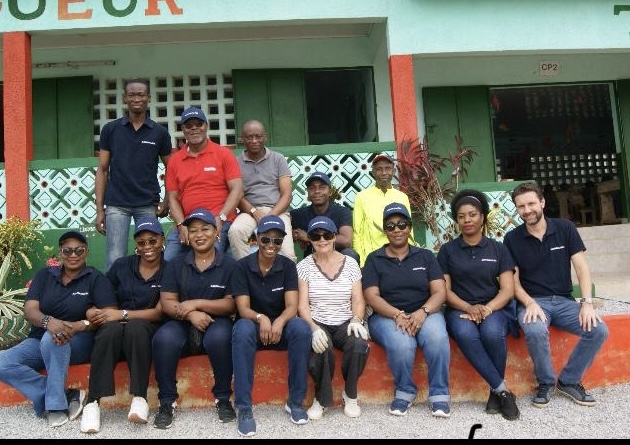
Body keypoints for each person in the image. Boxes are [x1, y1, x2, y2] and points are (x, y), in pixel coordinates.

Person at [503, 181, 609, 408]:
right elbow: (513, 280)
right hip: (531, 301)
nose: (527, 210)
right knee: (535, 329)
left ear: (542, 202)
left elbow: (581, 267)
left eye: (531, 203)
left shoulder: (565, 228)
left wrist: (587, 303)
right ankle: (546, 382)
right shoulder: (512, 239)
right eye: (521, 206)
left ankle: (569, 381)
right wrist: (529, 302)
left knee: (599, 329)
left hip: (563, 301)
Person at [0, 230, 116, 427]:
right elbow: (30, 309)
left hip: (78, 340)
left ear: (86, 251)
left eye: (79, 250)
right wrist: (48, 322)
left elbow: (109, 312)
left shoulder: (95, 279)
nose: (73, 255)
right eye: (68, 250)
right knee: (3, 363)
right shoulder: (44, 276)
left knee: (54, 338)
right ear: (60, 252)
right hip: (38, 339)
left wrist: (82, 324)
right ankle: (67, 394)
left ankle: (55, 406)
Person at [151, 208, 238, 429]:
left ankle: (223, 398)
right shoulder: (176, 264)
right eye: (193, 230)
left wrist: (197, 303)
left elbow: (230, 304)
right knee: (164, 339)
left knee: (220, 338)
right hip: (181, 321)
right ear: (187, 236)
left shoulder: (229, 264)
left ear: (216, 232)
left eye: (205, 229)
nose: (199, 234)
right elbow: (168, 301)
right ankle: (167, 402)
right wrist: (191, 313)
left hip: (217, 320)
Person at [436, 190, 520, 421]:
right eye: (462, 216)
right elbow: (444, 290)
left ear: (482, 217)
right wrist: (468, 308)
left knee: (493, 333)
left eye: (472, 214)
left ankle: (495, 393)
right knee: (465, 333)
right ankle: (502, 390)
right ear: (457, 220)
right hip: (459, 310)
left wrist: (487, 309)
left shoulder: (498, 249)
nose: (467, 220)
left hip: (494, 307)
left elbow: (507, 289)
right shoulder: (447, 251)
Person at [362, 203, 451, 418]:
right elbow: (371, 296)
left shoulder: (425, 256)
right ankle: (405, 391)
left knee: (437, 338)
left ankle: (439, 394)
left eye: (402, 224)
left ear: (410, 227)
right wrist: (396, 314)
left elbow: (440, 291)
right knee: (402, 343)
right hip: (386, 315)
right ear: (385, 230)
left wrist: (424, 311)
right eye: (390, 226)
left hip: (425, 311)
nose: (397, 230)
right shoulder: (374, 259)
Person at [80, 217, 167, 433]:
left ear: (162, 240)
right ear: (136, 244)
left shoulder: (170, 269)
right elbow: (101, 296)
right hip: (116, 325)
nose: (147, 247)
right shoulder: (122, 265)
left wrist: (122, 314)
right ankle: (92, 403)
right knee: (109, 330)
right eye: (141, 242)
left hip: (149, 325)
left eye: (152, 241)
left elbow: (159, 312)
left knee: (136, 327)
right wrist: (92, 311)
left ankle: (139, 398)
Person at [231, 215, 312, 437]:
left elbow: (292, 306)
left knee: (301, 329)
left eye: (277, 241)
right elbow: (243, 308)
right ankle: (244, 408)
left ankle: (295, 402)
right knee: (241, 329)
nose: (271, 245)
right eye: (266, 239)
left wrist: (279, 321)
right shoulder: (242, 267)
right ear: (256, 239)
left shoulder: (287, 266)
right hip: (253, 325)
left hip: (280, 327)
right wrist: (261, 318)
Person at [95, 78, 173, 271]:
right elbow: (102, 169)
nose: (136, 98)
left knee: (152, 255)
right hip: (116, 205)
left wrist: (167, 201)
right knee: (115, 259)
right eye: (132, 95)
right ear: (125, 98)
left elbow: (172, 169)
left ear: (148, 98)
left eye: (140, 94)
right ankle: (112, 300)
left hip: (148, 204)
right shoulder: (111, 130)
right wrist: (99, 209)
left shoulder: (160, 132)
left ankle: (154, 297)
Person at [296, 216, 369, 420]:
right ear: (309, 239)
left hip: (345, 319)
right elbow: (302, 305)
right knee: (321, 348)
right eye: (315, 236)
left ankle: (350, 394)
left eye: (327, 235)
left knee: (358, 344)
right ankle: (321, 398)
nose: (322, 240)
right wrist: (312, 327)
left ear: (335, 237)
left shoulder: (351, 263)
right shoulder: (303, 266)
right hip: (318, 320)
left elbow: (358, 299)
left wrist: (357, 319)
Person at [164, 107, 243, 260]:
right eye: (189, 125)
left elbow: (237, 190)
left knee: (209, 259)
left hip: (218, 221)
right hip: (188, 223)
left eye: (198, 124)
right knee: (168, 262)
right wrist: (181, 225)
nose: (194, 128)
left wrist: (221, 218)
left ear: (206, 126)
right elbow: (173, 198)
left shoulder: (223, 154)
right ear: (183, 129)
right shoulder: (175, 160)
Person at [228, 120, 296, 261]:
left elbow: (287, 195)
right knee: (236, 231)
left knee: (287, 254)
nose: (254, 140)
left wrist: (271, 216)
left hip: (278, 212)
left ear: (265, 137)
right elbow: (237, 195)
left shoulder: (278, 159)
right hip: (250, 213)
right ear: (242, 139)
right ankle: (245, 271)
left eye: (258, 136)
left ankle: (287, 281)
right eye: (249, 137)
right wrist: (254, 212)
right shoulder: (236, 162)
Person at [353, 153, 412, 267]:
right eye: (379, 169)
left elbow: (409, 229)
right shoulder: (362, 197)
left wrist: (409, 257)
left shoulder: (402, 197)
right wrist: (361, 262)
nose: (384, 173)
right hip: (372, 259)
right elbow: (357, 232)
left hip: (400, 257)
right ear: (373, 172)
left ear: (393, 171)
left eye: (388, 168)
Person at [290, 171, 360, 263]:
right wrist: (296, 235)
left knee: (350, 253)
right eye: (312, 188)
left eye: (322, 187)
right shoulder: (299, 214)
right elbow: (281, 228)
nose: (317, 191)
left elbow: (346, 240)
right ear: (308, 193)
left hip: (338, 260)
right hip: (312, 260)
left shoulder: (342, 212)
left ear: (330, 191)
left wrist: (309, 237)